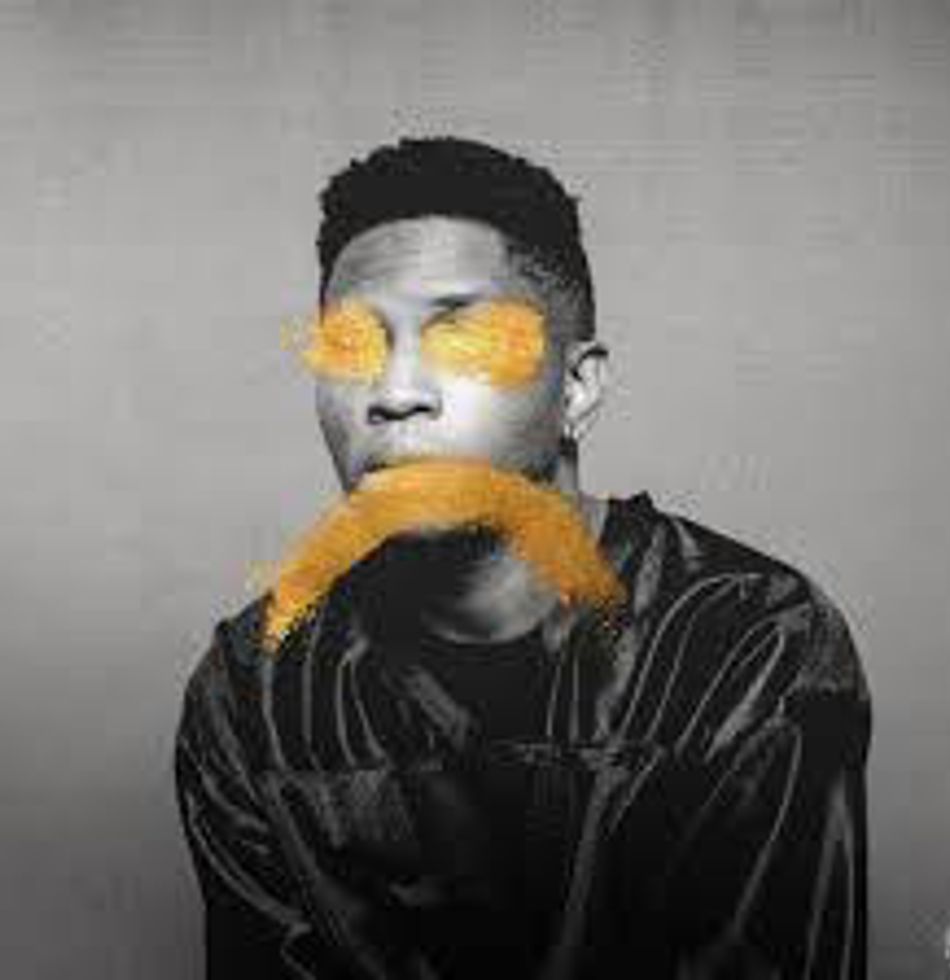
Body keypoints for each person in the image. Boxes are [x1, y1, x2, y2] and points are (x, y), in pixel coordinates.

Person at [174, 137, 872, 979]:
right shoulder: (257, 692)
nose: (395, 394)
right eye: (352, 349)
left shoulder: (742, 643)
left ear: (576, 388)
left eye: (459, 342)